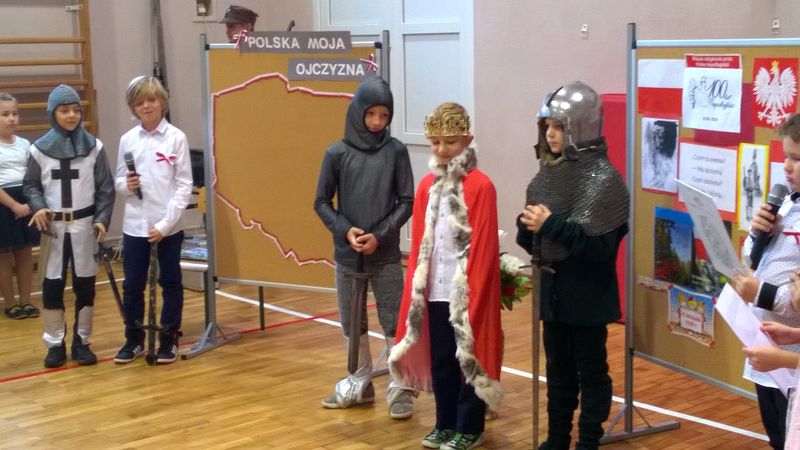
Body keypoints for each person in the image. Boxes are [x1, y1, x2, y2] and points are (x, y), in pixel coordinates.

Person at [516, 81, 630, 450]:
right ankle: (557, 438)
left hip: (587, 295)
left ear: (580, 129)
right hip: (553, 293)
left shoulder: (606, 182)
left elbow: (599, 250)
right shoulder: (545, 178)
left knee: (591, 372)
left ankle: (588, 441)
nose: (551, 134)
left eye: (559, 127)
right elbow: (534, 245)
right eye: (547, 126)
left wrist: (551, 225)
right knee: (558, 371)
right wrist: (527, 227)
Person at [390, 102, 503, 450]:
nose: (442, 149)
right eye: (436, 142)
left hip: (466, 290)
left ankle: (470, 426)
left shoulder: (481, 186)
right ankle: (445, 422)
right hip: (435, 290)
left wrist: (475, 294)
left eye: (450, 142)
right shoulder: (427, 186)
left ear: (467, 141)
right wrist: (417, 289)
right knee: (442, 359)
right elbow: (422, 244)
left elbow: (483, 246)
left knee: (468, 357)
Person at [313, 75, 416, 419]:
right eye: (371, 114)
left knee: (393, 319)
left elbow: (406, 201)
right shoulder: (336, 153)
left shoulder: (396, 151)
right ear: (358, 112)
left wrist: (380, 236)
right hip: (348, 255)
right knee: (351, 320)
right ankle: (359, 383)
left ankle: (400, 387)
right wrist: (346, 231)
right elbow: (322, 202)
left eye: (384, 115)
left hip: (384, 254)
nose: (376, 122)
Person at [23, 84, 114, 368]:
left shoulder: (94, 147)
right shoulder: (39, 150)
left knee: (85, 285)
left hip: (84, 226)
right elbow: (31, 185)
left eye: (76, 110)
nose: (71, 115)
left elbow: (105, 188)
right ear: (53, 113)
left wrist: (101, 219)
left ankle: (82, 341)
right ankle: (55, 343)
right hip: (53, 229)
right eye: (64, 110)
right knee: (52, 287)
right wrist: (38, 206)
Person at [113, 75, 193, 365]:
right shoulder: (128, 140)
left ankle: (168, 339)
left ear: (162, 102)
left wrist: (164, 225)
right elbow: (118, 181)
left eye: (150, 100)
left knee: (170, 281)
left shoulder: (176, 137)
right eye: (139, 103)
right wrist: (127, 185)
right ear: (133, 108)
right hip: (135, 226)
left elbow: (184, 185)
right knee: (133, 284)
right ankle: (133, 339)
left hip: (167, 226)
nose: (145, 106)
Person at [733, 112, 800, 450]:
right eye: (785, 156)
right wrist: (758, 233)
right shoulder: (786, 203)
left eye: (797, 158)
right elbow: (752, 259)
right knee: (777, 436)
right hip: (768, 347)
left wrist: (762, 293)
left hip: (793, 355)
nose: (786, 166)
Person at [0, 93, 39, 320]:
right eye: (5, 114)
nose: (11, 118)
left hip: (25, 202)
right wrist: (14, 205)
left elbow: (33, 176)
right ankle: (10, 303)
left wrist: (29, 203)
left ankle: (26, 300)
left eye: (14, 113)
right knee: (4, 257)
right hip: (4, 202)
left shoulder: (25, 144)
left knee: (25, 254)